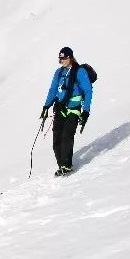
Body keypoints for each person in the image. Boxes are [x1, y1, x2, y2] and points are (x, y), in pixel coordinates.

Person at [40, 46, 93, 176]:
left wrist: (85, 110)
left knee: (67, 136)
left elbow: (88, 91)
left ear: (70, 57)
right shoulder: (59, 72)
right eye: (61, 58)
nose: (62, 60)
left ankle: (67, 165)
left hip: (74, 109)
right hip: (60, 107)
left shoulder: (80, 72)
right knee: (57, 138)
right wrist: (46, 106)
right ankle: (61, 165)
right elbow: (53, 89)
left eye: (64, 58)